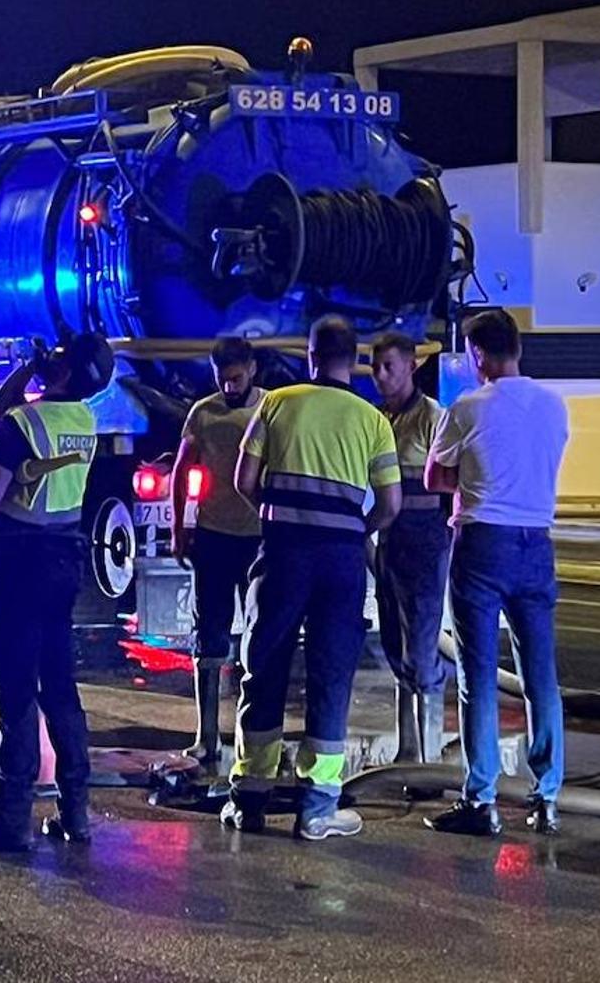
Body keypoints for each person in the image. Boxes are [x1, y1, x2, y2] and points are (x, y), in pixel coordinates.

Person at [226, 316, 400, 841]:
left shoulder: (277, 402)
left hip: (283, 555)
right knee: (330, 677)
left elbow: (243, 480)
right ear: (356, 360)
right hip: (341, 563)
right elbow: (390, 504)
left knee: (265, 666)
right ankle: (318, 808)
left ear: (310, 355)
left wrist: (279, 515)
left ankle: (250, 798)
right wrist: (352, 529)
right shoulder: (373, 420)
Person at [0, 332, 115, 852]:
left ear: (66, 372)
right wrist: (34, 367)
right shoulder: (82, 420)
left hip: (19, 568)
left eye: (56, 361)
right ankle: (76, 812)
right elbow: (13, 407)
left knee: (15, 690)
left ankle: (11, 819)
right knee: (59, 687)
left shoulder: (22, 425)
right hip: (62, 566)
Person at [423, 309, 570, 837]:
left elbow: (435, 476)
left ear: (480, 355)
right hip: (538, 544)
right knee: (540, 677)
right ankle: (548, 795)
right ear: (519, 348)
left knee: (477, 676)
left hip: (483, 542)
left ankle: (481, 799)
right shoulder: (555, 406)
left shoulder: (468, 407)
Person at [169, 336, 264, 774]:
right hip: (213, 535)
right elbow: (182, 468)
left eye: (237, 378)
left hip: (259, 538)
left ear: (253, 369)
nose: (229, 386)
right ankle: (206, 737)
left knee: (261, 638)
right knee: (210, 637)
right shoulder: (203, 413)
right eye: (222, 379)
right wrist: (178, 528)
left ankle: (255, 738)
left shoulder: (270, 409)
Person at [370, 331, 451, 766]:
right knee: (395, 646)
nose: (381, 376)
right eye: (376, 367)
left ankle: (430, 758)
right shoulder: (379, 419)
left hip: (425, 543)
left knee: (422, 652)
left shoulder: (433, 419)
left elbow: (450, 487)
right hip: (390, 543)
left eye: (389, 367)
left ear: (411, 366)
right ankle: (408, 749)